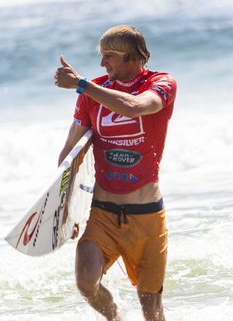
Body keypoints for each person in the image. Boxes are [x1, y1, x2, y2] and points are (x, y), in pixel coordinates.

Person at [54, 25, 177, 321]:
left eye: (109, 56)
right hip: (104, 212)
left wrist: (82, 84)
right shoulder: (90, 92)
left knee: (152, 309)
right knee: (86, 282)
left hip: (147, 217)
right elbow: (70, 153)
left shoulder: (162, 83)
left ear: (133, 57)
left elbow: (135, 108)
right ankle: (115, 319)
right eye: (101, 55)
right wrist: (64, 211)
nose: (102, 63)